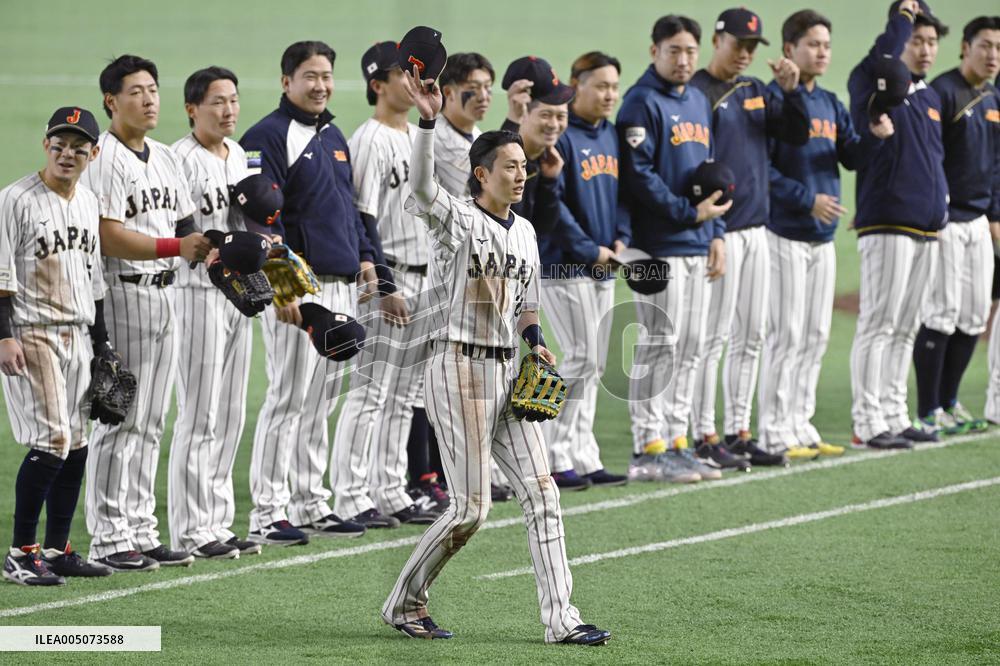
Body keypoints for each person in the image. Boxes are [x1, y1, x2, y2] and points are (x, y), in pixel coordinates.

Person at [381, 64, 611, 647]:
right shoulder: (456, 221)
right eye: (509, 166)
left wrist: (537, 346)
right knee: (470, 509)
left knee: (542, 492)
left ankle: (563, 621)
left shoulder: (526, 232)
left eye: (523, 166)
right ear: (481, 174)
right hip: (457, 366)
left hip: (508, 368)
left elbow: (528, 302)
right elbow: (422, 188)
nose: (520, 173)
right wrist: (428, 123)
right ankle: (404, 603)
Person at [80, 55, 212, 571]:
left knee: (153, 419)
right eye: (136, 91)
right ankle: (109, 537)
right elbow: (109, 235)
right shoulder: (102, 157)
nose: (149, 99)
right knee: (121, 418)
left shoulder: (163, 155)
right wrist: (175, 248)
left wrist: (217, 250)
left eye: (153, 89)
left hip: (167, 295)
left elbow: (186, 223)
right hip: (124, 293)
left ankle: (139, 528)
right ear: (111, 100)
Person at [240, 41, 375, 543]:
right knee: (288, 397)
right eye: (310, 76)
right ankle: (267, 512)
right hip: (301, 288)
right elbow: (260, 218)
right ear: (286, 81)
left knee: (320, 400)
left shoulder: (334, 134)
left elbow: (347, 209)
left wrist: (364, 259)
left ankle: (310, 502)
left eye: (326, 75)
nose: (320, 85)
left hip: (340, 283)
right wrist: (282, 289)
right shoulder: (268, 137)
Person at [759, 11, 893, 456]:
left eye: (826, 45)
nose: (822, 52)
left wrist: (874, 135)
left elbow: (851, 157)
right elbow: (762, 171)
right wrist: (805, 199)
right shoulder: (770, 101)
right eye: (813, 44)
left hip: (822, 235)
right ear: (789, 50)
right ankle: (774, 428)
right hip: (785, 232)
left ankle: (801, 422)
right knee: (787, 334)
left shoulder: (832, 104)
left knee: (815, 334)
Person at [689, 7, 813, 466]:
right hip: (720, 232)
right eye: (738, 43)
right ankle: (704, 434)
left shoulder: (757, 90)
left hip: (758, 228)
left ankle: (739, 431)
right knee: (713, 338)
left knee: (752, 335)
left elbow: (795, 136)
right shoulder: (698, 92)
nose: (745, 52)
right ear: (717, 40)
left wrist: (790, 91)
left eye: (751, 46)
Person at [0, 107, 115, 585]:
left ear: (93, 152)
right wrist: (4, 336)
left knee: (79, 444)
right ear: (46, 144)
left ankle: (57, 547)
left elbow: (94, 280)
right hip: (33, 334)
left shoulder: (88, 201)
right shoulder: (15, 200)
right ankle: (20, 553)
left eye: (78, 146)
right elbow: (1, 276)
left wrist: (103, 344)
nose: (68, 153)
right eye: (60, 144)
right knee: (52, 442)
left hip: (79, 335)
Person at [617, 15, 732, 483]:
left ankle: (678, 440)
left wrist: (716, 231)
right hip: (656, 245)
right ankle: (648, 447)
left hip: (695, 240)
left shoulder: (700, 101)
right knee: (659, 343)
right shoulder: (640, 103)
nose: (683, 60)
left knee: (692, 346)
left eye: (690, 51)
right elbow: (640, 177)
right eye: (674, 51)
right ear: (654, 51)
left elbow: (711, 172)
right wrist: (690, 215)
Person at [329, 41, 439, 528]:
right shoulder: (369, 138)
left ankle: (390, 489)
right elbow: (362, 215)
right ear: (378, 84)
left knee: (404, 394)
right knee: (371, 392)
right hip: (387, 275)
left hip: (422, 278)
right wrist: (387, 281)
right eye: (402, 75)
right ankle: (351, 495)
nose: (411, 83)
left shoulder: (416, 134)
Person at [847, 0, 949, 449]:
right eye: (916, 40)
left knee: (906, 325)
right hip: (888, 221)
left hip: (927, 226)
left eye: (931, 41)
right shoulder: (877, 84)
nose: (925, 49)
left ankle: (893, 412)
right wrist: (901, 19)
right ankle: (867, 422)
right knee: (879, 322)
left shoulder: (927, 97)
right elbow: (882, 56)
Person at [168, 66, 261, 560]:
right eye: (217, 102)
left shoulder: (242, 154)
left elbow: (255, 216)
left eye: (233, 100)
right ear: (192, 109)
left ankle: (217, 521)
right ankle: (190, 528)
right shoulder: (178, 159)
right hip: (196, 293)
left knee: (230, 412)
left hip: (238, 292)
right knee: (200, 411)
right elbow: (189, 233)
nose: (228, 110)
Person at [538, 51, 630, 490]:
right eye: (601, 85)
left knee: (592, 362)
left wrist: (620, 239)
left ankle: (583, 452)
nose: (609, 94)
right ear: (577, 85)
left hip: (602, 263)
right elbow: (552, 206)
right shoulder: (563, 136)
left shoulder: (609, 134)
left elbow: (622, 196)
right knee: (580, 355)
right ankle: (552, 452)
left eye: (614, 86)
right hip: (563, 264)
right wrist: (587, 248)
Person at [913, 16, 999, 436]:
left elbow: (998, 165)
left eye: (999, 48)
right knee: (942, 312)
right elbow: (929, 160)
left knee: (973, 314)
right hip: (946, 222)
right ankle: (929, 407)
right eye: (985, 45)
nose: (993, 55)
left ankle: (950, 402)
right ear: (965, 47)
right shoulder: (942, 93)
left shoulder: (993, 97)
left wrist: (996, 215)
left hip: (979, 222)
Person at [500, 56, 571, 234]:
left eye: (561, 116)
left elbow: (542, 230)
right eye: (546, 115)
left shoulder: (551, 160)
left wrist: (549, 182)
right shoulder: (495, 155)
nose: (554, 125)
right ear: (523, 112)